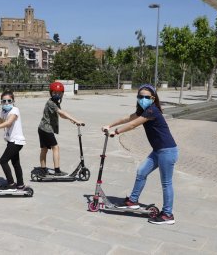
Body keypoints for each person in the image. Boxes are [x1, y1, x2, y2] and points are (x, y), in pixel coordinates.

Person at [102, 84, 179, 225]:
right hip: (158, 151)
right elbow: (127, 118)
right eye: (140, 97)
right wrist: (109, 125)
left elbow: (132, 125)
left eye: (146, 97)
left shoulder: (152, 110)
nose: (143, 99)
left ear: (153, 98)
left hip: (167, 151)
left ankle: (168, 215)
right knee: (142, 172)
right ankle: (132, 201)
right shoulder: (144, 110)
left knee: (166, 183)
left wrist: (116, 132)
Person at [0, 90, 26, 191]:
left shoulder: (15, 110)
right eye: (4, 101)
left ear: (13, 101)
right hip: (11, 141)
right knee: (15, 163)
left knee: (3, 161)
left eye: (9, 101)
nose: (6, 103)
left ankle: (11, 184)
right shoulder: (3, 111)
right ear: (1, 102)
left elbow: (9, 123)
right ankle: (20, 185)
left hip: (17, 141)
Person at [38, 82, 83, 176]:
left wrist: (71, 120)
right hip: (46, 129)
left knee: (44, 149)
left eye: (59, 93)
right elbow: (62, 112)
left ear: (62, 93)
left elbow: (61, 115)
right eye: (55, 93)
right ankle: (57, 171)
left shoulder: (55, 103)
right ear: (51, 93)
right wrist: (76, 120)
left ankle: (43, 169)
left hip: (43, 128)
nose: (57, 95)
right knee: (55, 147)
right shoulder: (51, 103)